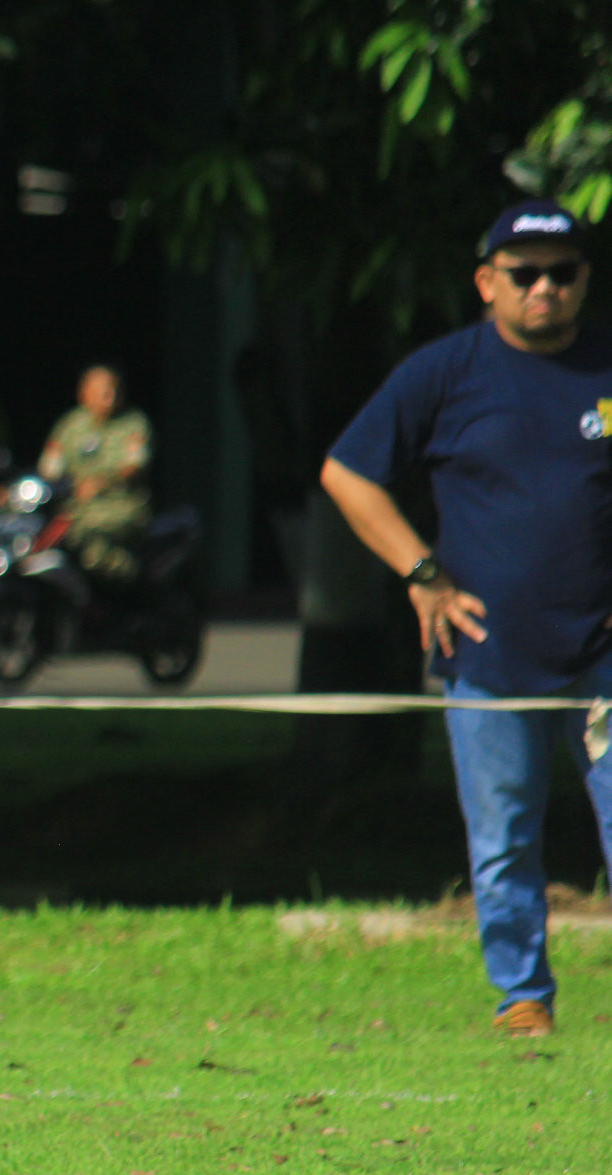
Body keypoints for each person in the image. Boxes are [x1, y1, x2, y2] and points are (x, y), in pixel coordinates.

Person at [321, 200, 611, 1037]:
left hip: (602, 659)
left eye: (561, 272)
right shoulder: (442, 373)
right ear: (487, 283)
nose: (544, 288)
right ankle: (522, 997)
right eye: (523, 274)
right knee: (503, 838)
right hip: (487, 653)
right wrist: (421, 573)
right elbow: (347, 474)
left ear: (584, 280)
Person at [39, 365, 151, 582]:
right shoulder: (70, 425)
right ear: (83, 394)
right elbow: (49, 467)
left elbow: (136, 465)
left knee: (88, 544)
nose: (110, 397)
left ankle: (138, 582)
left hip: (120, 507)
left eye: (114, 390)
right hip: (75, 509)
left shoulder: (133, 423)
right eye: (102, 392)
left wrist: (102, 483)